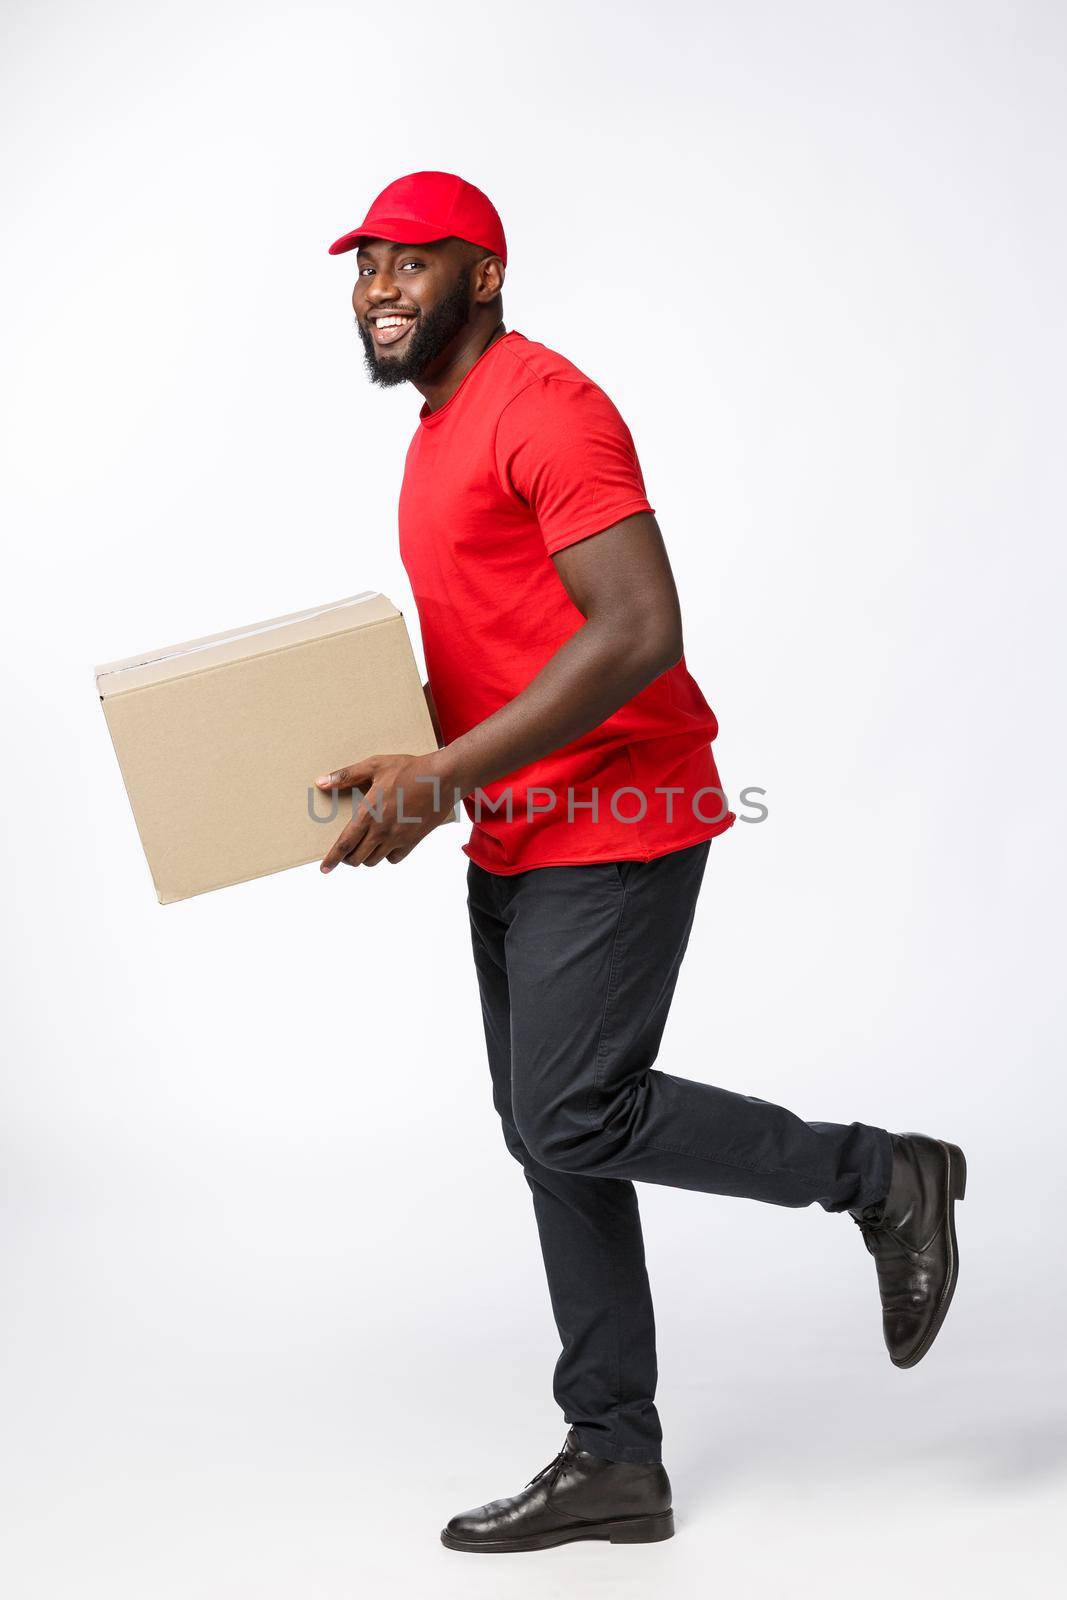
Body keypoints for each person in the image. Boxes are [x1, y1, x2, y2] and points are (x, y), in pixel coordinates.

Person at [316, 170, 966, 1555]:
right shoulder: (436, 433)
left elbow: (636, 632)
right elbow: (505, 640)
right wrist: (417, 778)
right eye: (363, 262)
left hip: (621, 817)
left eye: (411, 260)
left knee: (574, 1114)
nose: (378, 282)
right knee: (552, 1138)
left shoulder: (548, 406)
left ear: (481, 277)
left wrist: (444, 772)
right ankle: (616, 1456)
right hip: (517, 823)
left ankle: (879, 1176)